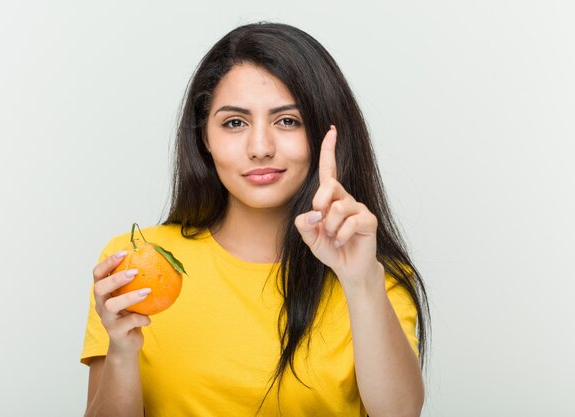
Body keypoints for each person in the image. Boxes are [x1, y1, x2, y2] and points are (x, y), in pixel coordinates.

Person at [81, 22, 430, 417]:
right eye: (234, 123)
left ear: (323, 134)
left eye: (287, 121)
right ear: (204, 138)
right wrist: (122, 352)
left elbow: (400, 413)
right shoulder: (136, 263)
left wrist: (362, 282)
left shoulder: (374, 276)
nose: (260, 148)